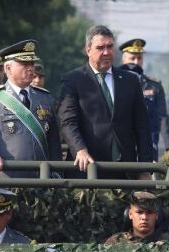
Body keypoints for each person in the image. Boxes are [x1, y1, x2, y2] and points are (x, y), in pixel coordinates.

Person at [58, 25, 153, 178]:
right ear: (88, 50)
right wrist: (80, 149)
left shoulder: (130, 80)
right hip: (88, 168)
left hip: (125, 169)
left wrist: (145, 167)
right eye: (100, 48)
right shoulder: (73, 80)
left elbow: (142, 125)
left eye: (110, 47)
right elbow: (67, 122)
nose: (106, 52)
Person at [0, 40, 61, 177]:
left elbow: (54, 143)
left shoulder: (45, 98)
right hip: (7, 181)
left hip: (42, 182)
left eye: (32, 63)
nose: (30, 68)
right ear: (8, 68)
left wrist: (58, 174)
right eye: (24, 64)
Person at [118, 38, 169, 160]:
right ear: (123, 59)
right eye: (132, 58)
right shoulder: (114, 82)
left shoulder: (154, 86)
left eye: (139, 58)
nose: (136, 62)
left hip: (148, 146)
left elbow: (162, 117)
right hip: (120, 146)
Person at [105, 191, 169, 244]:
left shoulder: (166, 243)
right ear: (130, 214)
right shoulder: (116, 241)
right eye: (139, 212)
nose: (144, 217)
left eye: (149, 212)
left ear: (156, 215)